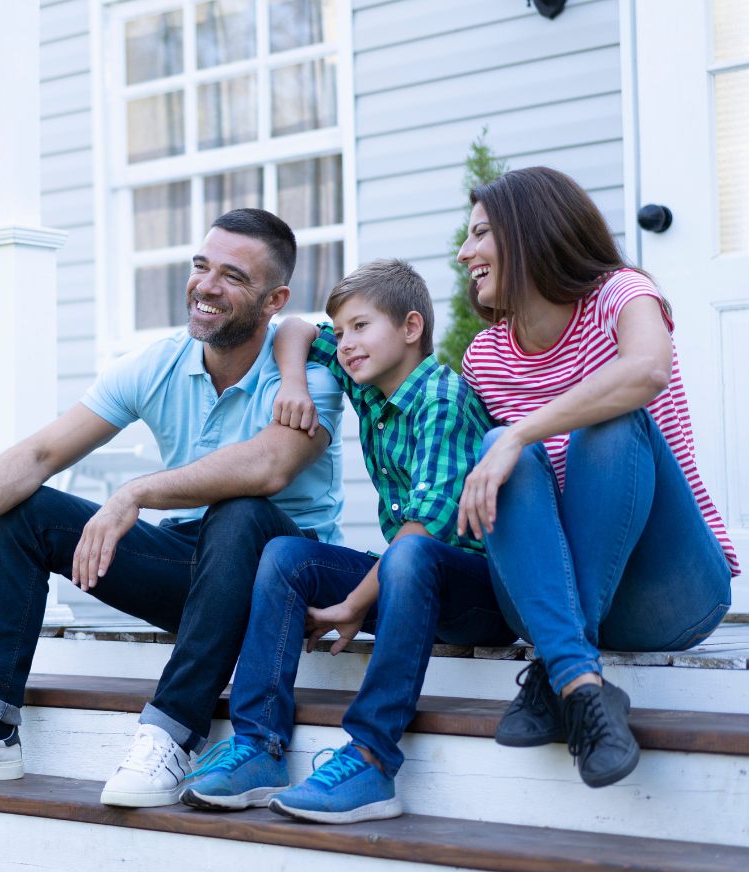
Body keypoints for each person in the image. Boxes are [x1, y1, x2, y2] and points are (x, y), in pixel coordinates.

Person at [0, 208, 347, 807]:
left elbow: (269, 467)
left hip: (285, 582)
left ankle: (170, 736)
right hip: (197, 571)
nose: (206, 286)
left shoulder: (308, 373)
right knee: (28, 511)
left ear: (274, 299)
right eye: (201, 267)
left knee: (240, 511)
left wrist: (136, 492)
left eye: (233, 276)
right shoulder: (160, 363)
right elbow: (43, 452)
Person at [179, 259, 514, 823]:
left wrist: (355, 602)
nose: (348, 343)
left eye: (362, 326)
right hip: (406, 579)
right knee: (286, 556)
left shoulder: (442, 400)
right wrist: (292, 384)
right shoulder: (372, 388)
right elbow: (297, 329)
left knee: (408, 552)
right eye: (346, 329)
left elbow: (425, 530)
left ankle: (371, 760)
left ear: (411, 329)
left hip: (477, 592)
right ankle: (259, 747)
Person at [455, 166, 738, 788]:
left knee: (606, 424)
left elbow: (645, 372)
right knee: (501, 445)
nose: (464, 252)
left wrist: (525, 432)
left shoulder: (622, 293)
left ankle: (555, 668)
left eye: (480, 233)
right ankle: (581, 684)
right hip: (545, 597)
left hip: (667, 592)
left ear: (530, 231)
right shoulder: (486, 357)